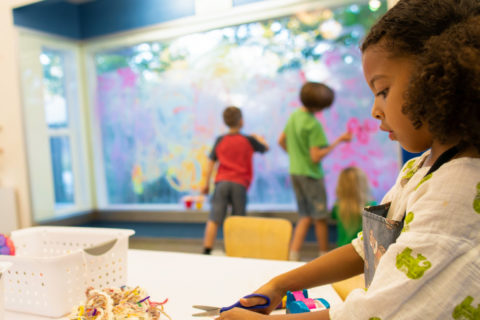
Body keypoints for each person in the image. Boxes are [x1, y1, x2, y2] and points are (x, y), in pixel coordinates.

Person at [215, 0, 480, 318]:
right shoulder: (419, 168)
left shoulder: (460, 190)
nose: (374, 110)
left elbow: (377, 314)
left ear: (439, 81)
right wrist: (280, 284)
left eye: (382, 90)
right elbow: (368, 246)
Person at [278, 82, 352, 261]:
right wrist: (338, 141)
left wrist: (296, 157)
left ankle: (292, 255)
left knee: (304, 216)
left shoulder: (295, 116)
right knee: (320, 218)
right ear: (319, 106)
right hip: (311, 175)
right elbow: (316, 157)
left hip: (295, 172)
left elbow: (281, 141)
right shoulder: (313, 125)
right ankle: (323, 257)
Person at [201, 106, 268, 255]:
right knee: (238, 220)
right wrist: (260, 139)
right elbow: (265, 148)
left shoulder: (220, 140)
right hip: (239, 183)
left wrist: (205, 184)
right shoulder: (249, 140)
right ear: (241, 121)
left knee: (214, 218)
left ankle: (206, 250)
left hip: (222, 183)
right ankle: (235, 252)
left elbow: (211, 163)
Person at [331, 167, 376, 247]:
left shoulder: (337, 207)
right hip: (362, 251)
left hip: (341, 250)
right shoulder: (372, 206)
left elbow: (332, 216)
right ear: (363, 184)